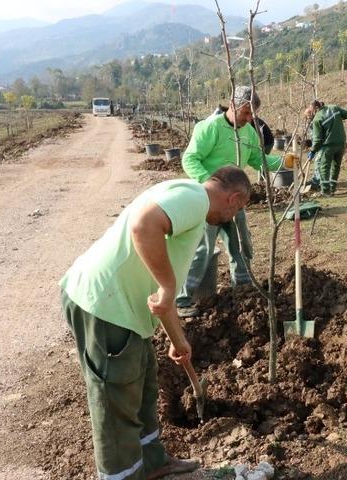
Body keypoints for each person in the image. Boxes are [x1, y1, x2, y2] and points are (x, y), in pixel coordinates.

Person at [59, 166, 252, 480]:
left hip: (125, 310)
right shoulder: (195, 199)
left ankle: (151, 461)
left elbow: (163, 295)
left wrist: (179, 340)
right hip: (106, 307)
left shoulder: (183, 195)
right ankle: (121, 476)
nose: (232, 217)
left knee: (145, 384)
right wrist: (166, 287)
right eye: (238, 210)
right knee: (116, 401)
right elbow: (143, 225)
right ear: (233, 199)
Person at [177, 86, 281, 317]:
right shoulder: (210, 127)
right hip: (209, 202)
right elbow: (190, 159)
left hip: (234, 202)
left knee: (242, 245)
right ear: (233, 105)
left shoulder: (249, 132)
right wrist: (211, 185)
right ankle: (181, 300)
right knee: (202, 249)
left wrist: (284, 162)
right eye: (246, 113)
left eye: (252, 114)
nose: (249, 118)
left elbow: (257, 159)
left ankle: (242, 289)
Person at [305, 100, 347, 195]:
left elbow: (317, 140)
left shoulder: (317, 118)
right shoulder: (334, 107)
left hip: (329, 145)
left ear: (316, 108)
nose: (312, 113)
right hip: (341, 143)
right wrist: (336, 119)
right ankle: (332, 189)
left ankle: (325, 191)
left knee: (324, 167)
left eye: (312, 111)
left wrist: (313, 151)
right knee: (336, 166)